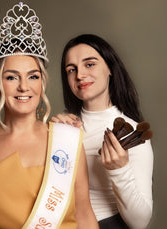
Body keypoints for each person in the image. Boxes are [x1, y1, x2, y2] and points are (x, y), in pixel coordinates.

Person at [0, 3, 98, 229]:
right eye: (12, 77)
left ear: (42, 83)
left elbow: (83, 214)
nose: (24, 87)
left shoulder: (68, 140)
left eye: (33, 77)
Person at [52, 34, 153, 228]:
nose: (80, 75)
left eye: (89, 64)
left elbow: (140, 222)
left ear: (110, 69)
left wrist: (120, 170)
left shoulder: (133, 134)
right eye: (71, 69)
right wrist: (51, 136)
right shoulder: (63, 126)